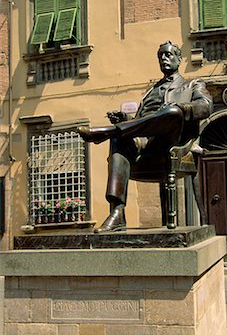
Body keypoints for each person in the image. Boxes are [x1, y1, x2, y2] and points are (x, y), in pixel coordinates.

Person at [78, 41, 213, 233]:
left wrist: (184, 108)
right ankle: (117, 211)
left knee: (172, 112)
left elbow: (206, 105)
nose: (164, 58)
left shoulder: (191, 85)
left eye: (168, 55)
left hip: (171, 140)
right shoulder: (152, 89)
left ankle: (110, 131)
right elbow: (142, 120)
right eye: (161, 56)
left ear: (179, 59)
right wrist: (126, 119)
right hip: (144, 141)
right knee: (120, 140)